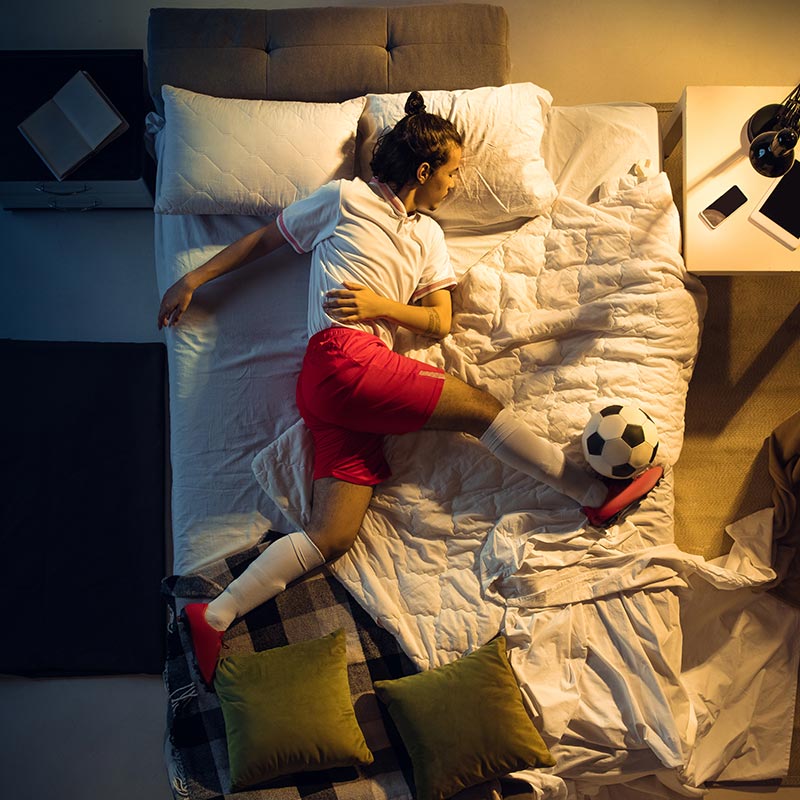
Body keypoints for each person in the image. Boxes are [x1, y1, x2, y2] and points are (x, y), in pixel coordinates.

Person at [157, 91, 662, 685]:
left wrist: (380, 305)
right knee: (480, 409)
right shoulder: (343, 201)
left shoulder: (427, 236)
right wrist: (193, 276)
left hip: (344, 386)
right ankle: (589, 493)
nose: (455, 183)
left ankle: (214, 613)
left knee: (332, 535)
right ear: (424, 171)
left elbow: (439, 321)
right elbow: (266, 240)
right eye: (452, 172)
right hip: (341, 360)